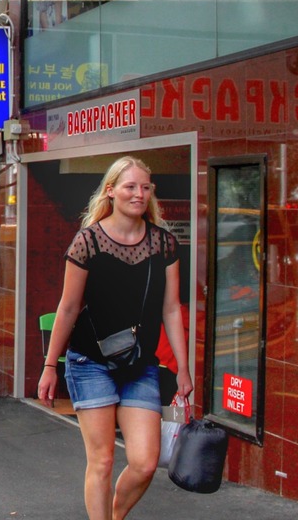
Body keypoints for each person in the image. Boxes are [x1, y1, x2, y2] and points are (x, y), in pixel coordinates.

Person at [37, 156, 192, 520]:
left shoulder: (163, 244)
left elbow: (171, 309)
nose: (139, 194)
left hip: (140, 366)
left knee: (144, 462)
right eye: (130, 186)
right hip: (90, 363)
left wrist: (183, 368)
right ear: (111, 191)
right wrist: (49, 366)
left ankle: (113, 516)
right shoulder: (87, 242)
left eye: (145, 187)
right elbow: (69, 308)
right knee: (103, 459)